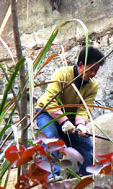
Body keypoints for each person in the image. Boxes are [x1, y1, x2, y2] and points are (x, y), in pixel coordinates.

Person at [35, 46, 105, 177]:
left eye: (96, 71)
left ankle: (87, 179)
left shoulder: (92, 85)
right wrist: (64, 121)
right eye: (91, 69)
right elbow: (50, 101)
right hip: (47, 113)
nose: (93, 74)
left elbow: (84, 108)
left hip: (71, 118)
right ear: (80, 65)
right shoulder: (61, 74)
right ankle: (51, 177)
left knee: (87, 148)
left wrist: (81, 125)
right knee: (50, 137)